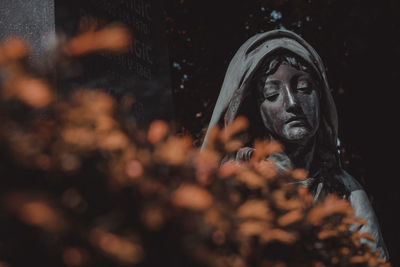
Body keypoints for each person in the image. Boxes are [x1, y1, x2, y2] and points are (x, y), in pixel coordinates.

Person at [202, 29, 389, 259]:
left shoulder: (346, 192)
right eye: (272, 94)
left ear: (321, 98)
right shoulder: (234, 181)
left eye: (303, 89)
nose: (292, 103)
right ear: (256, 109)